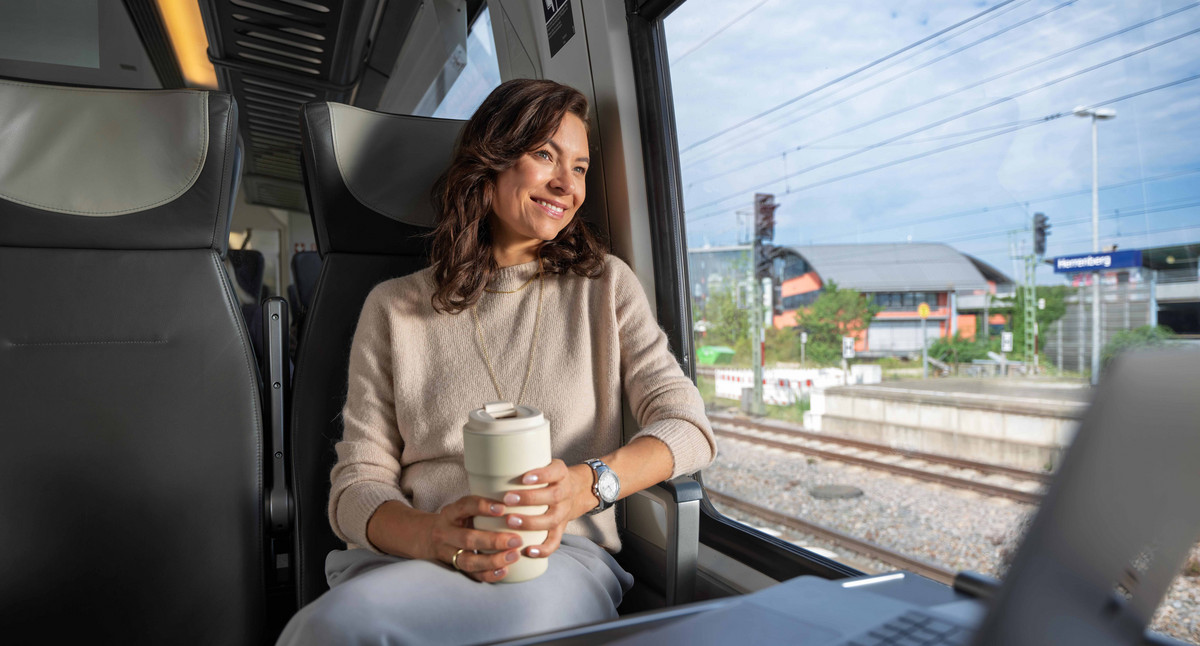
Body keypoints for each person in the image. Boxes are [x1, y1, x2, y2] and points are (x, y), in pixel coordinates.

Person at [276, 79, 716, 645]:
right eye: (544, 155)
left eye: (580, 167)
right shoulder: (393, 309)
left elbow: (690, 427)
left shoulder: (603, 287)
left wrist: (589, 486)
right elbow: (357, 485)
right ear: (491, 161)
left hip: (557, 558)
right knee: (330, 629)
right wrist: (431, 535)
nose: (566, 183)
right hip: (414, 560)